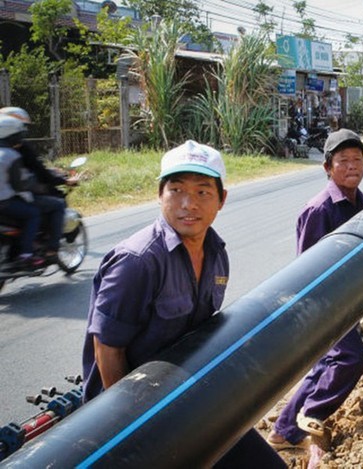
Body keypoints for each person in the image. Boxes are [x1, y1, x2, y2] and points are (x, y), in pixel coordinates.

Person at [81, 140, 285, 468]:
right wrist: (134, 429)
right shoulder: (137, 261)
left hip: (186, 401)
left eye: (203, 192)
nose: (188, 204)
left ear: (222, 199)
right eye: (176, 190)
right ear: (160, 195)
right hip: (134, 418)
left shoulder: (217, 254)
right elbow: (107, 351)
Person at [267, 129, 363, 467]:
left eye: (357, 159)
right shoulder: (320, 209)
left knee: (326, 364)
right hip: (322, 305)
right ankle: (310, 415)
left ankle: (283, 432)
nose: (352, 166)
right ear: (328, 167)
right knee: (352, 359)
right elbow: (308, 269)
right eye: (343, 161)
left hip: (348, 300)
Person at [0, 107, 71, 262]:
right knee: (44, 209)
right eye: (20, 129)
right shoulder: (14, 153)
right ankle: (39, 251)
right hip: (8, 201)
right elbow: (21, 182)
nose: (23, 134)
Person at [0, 115, 44, 270]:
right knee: (33, 213)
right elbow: (18, 185)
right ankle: (26, 254)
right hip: (4, 204)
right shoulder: (12, 155)